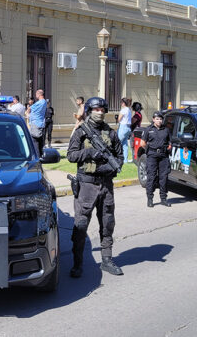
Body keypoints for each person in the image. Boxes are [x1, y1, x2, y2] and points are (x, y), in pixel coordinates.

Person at [66, 96, 124, 277]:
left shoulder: (111, 133)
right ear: (90, 110)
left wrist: (108, 167)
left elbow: (120, 157)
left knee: (108, 224)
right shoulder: (81, 132)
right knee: (81, 225)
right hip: (86, 186)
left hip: (106, 185)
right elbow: (71, 155)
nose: (100, 113)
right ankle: (77, 264)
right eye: (96, 109)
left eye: (102, 110)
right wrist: (91, 152)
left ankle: (107, 260)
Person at [143, 111, 171, 207]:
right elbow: (143, 143)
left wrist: (167, 149)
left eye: (160, 119)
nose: (159, 121)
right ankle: (150, 199)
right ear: (153, 119)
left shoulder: (166, 130)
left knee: (164, 178)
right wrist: (150, 150)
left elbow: (169, 143)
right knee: (151, 177)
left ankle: (163, 199)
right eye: (157, 119)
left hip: (163, 156)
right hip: (152, 155)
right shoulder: (148, 129)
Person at [27, 89, 48, 154]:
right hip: (39, 124)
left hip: (35, 124)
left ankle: (37, 158)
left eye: (36, 94)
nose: (35, 95)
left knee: (34, 142)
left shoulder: (40, 102)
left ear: (39, 94)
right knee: (39, 142)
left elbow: (29, 109)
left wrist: (28, 114)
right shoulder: (44, 102)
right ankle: (40, 156)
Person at [117, 98, 133, 163]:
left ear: (123, 103)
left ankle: (117, 158)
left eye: (121, 103)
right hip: (128, 128)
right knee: (125, 144)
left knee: (118, 143)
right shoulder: (129, 110)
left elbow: (119, 119)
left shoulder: (123, 110)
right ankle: (125, 160)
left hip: (123, 127)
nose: (121, 104)